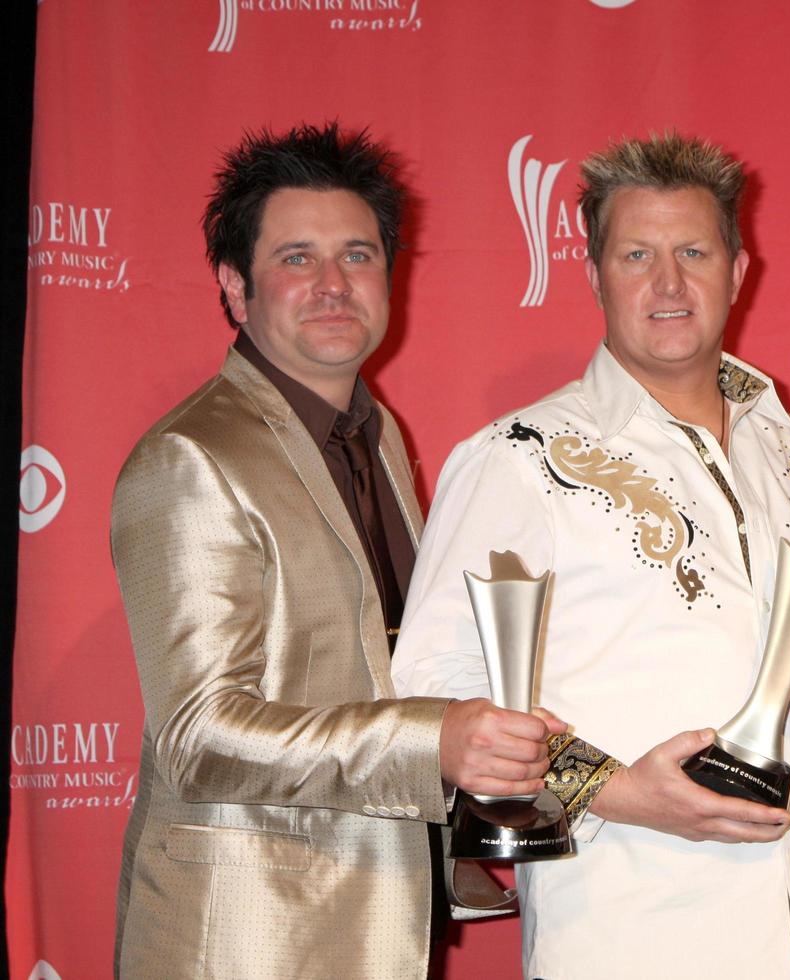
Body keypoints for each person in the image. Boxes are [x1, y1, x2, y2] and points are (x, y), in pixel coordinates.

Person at [392, 133, 790, 979]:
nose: (667, 283)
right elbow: (430, 697)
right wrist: (613, 793)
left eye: (693, 251)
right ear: (592, 274)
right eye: (636, 254)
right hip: (631, 938)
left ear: (737, 269)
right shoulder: (520, 457)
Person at [110, 123, 559, 979]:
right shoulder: (191, 459)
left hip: (375, 916)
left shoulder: (376, 435)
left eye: (356, 256)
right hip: (244, 936)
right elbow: (198, 735)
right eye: (296, 259)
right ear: (235, 288)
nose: (331, 285)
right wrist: (434, 744)